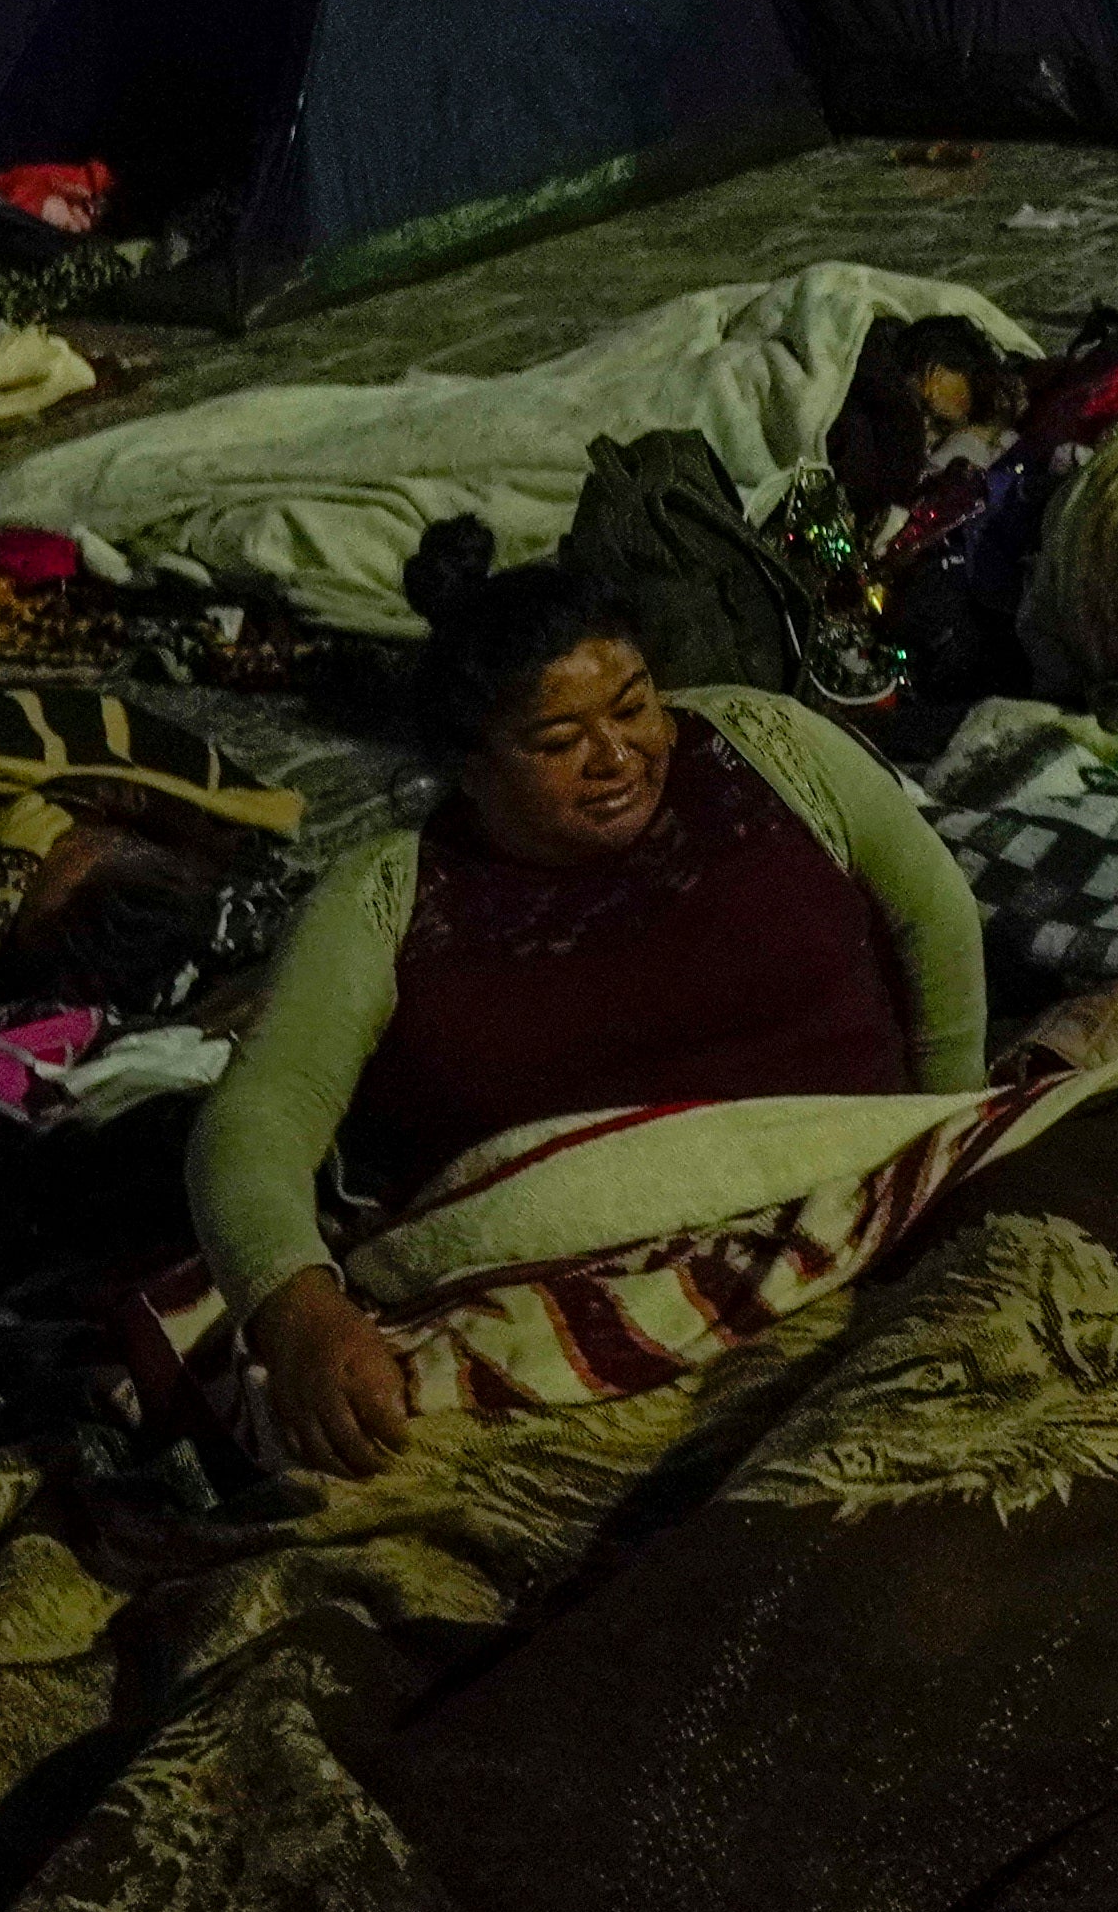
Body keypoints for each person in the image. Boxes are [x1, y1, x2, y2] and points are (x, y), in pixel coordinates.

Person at [184, 554, 985, 1478]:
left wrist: (950, 1143)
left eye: (635, 707)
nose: (616, 757)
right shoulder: (392, 893)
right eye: (558, 737)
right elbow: (258, 1115)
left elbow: (936, 916)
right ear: (470, 769)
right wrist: (296, 1310)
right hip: (573, 1306)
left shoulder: (766, 743)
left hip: (869, 1205)